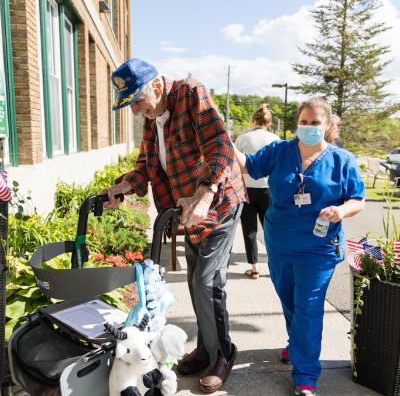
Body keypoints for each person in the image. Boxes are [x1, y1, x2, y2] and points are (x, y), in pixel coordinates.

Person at [103, 59, 246, 394]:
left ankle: (224, 353)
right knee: (198, 282)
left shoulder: (190, 93)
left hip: (219, 203)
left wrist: (206, 192)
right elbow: (147, 164)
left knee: (206, 283)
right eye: (131, 106)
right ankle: (206, 349)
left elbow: (220, 146)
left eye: (137, 101)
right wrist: (124, 186)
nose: (137, 112)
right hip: (189, 209)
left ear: (155, 86)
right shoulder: (155, 117)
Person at [233, 97, 365, 396]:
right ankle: (297, 345)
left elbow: (357, 199)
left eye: (315, 123)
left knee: (309, 307)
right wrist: (220, 139)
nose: (307, 127)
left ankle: (305, 374)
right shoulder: (280, 151)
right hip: (279, 244)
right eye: (303, 122)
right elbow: (248, 166)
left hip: (318, 249)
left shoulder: (342, 160)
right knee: (290, 300)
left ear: (328, 125)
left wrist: (341, 211)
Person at [235, 104, 279, 279]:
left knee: (249, 229)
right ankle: (274, 265)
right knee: (270, 228)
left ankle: (254, 268)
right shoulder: (275, 139)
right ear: (268, 122)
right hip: (268, 189)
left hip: (247, 189)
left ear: (254, 120)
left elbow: (236, 163)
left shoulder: (243, 138)